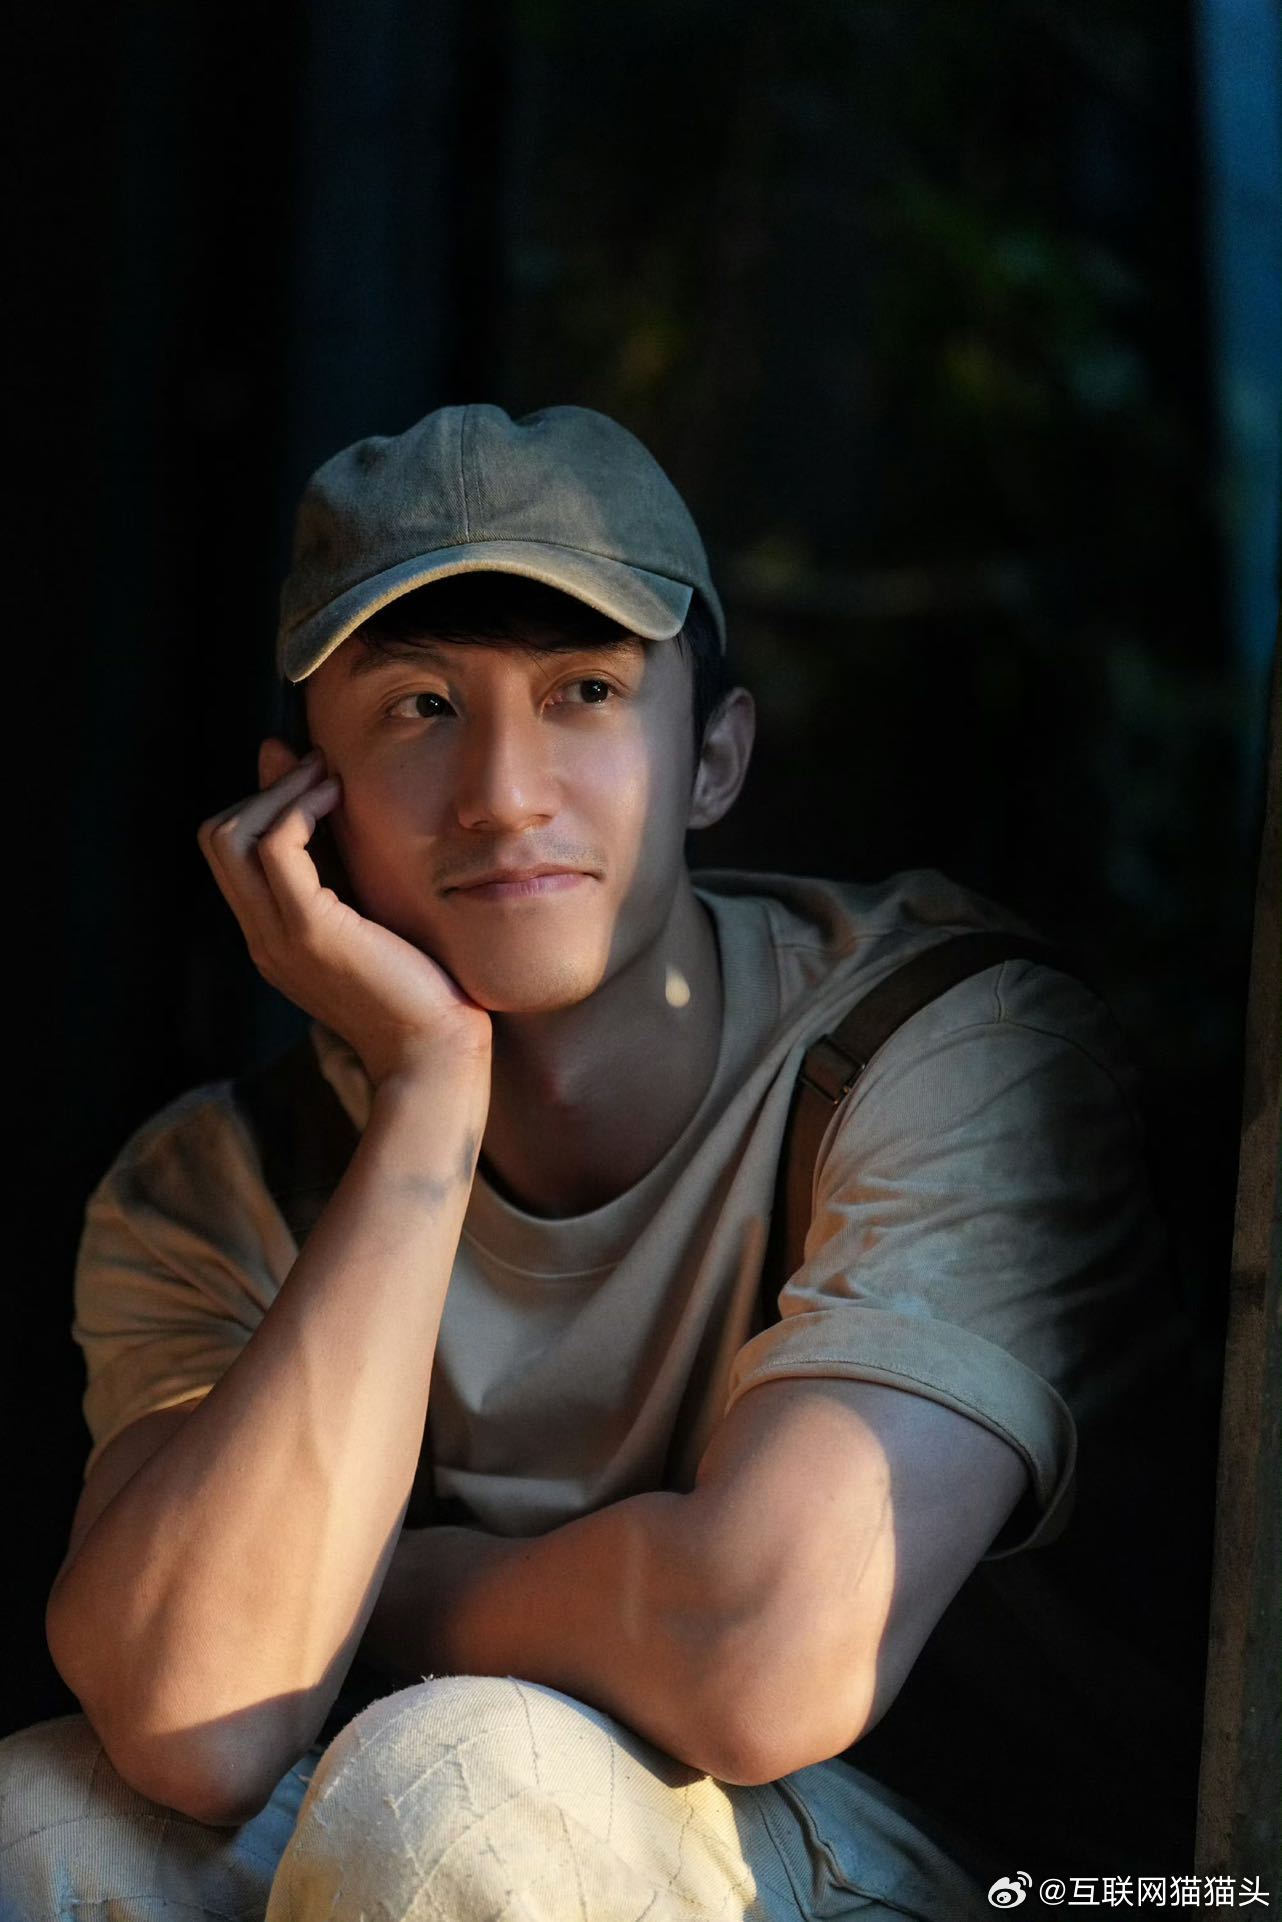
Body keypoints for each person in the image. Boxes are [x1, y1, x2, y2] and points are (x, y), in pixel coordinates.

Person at [1, 404, 1209, 1921]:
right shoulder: (222, 1178)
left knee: (466, 1782)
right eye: (420, 707)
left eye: (584, 691)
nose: (504, 792)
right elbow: (198, 1717)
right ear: (301, 803)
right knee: (47, 1825)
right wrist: (428, 1086)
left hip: (1036, 1883)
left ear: (712, 757)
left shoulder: (941, 1044)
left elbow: (768, 1654)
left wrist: (371, 1590)